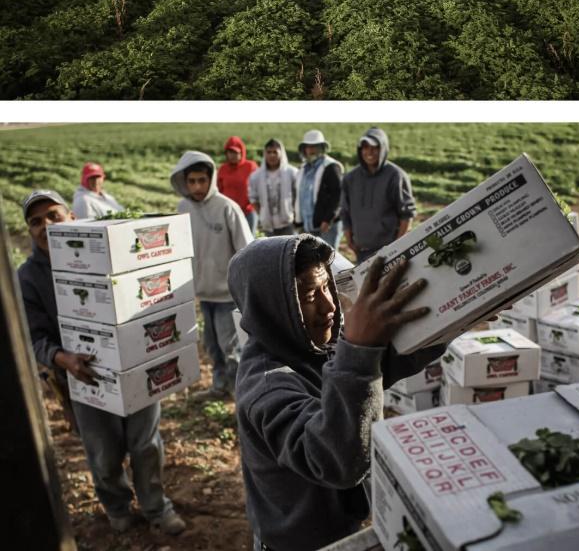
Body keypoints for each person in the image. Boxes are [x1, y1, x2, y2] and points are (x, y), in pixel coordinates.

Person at [228, 234, 445, 551]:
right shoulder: (265, 384)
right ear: (272, 307)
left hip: (340, 524)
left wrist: (451, 320)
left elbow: (387, 359)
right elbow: (336, 460)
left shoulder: (310, 345)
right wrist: (360, 349)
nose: (329, 304)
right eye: (308, 295)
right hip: (300, 543)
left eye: (326, 285)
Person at [17, 190, 185, 535]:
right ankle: (117, 507)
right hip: (83, 377)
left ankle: (156, 507)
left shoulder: (106, 254)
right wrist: (63, 359)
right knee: (103, 453)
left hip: (136, 367)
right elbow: (34, 338)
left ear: (72, 219)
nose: (45, 226)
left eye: (53, 216)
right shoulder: (28, 277)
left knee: (146, 443)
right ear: (29, 230)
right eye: (35, 221)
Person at [171, 151, 253, 399]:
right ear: (184, 182)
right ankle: (220, 387)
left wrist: (244, 289)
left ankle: (242, 395)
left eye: (202, 180)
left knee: (231, 348)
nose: (197, 186)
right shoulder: (182, 208)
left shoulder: (227, 208)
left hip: (227, 294)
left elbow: (246, 250)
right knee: (212, 347)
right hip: (202, 292)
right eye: (192, 181)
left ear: (211, 179)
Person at [341, 127, 416, 265]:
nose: (369, 152)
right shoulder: (350, 178)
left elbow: (407, 215)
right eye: (365, 147)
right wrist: (350, 241)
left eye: (375, 147)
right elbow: (345, 212)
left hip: (389, 253)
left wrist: (396, 247)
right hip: (362, 252)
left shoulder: (396, 176)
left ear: (383, 149)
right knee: (365, 287)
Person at [295, 129, 343, 249]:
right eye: (308, 147)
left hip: (326, 226)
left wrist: (328, 219)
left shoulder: (331, 167)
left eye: (315, 146)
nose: (311, 150)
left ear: (322, 148)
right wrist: (298, 221)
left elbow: (338, 195)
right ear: (304, 149)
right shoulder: (303, 169)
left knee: (330, 260)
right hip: (308, 226)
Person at [248, 139, 298, 236]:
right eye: (269, 152)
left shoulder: (292, 173)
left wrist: (295, 216)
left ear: (281, 153)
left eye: (275, 152)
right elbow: (253, 198)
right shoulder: (256, 176)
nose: (272, 155)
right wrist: (262, 214)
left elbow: (298, 196)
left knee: (291, 250)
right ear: (264, 154)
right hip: (268, 226)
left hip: (289, 223)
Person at [217, 136, 259, 234]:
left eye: (236, 152)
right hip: (228, 213)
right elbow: (218, 189)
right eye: (230, 152)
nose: (233, 155)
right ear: (226, 153)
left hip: (248, 212)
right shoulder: (223, 169)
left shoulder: (250, 166)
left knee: (249, 243)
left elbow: (258, 187)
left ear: (242, 152)